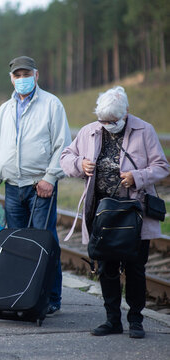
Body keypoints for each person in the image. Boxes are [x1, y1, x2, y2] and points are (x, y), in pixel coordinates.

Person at [60, 86, 169, 338]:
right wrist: (79, 164)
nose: (108, 124)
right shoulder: (89, 131)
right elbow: (66, 156)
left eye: (113, 120)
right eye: (104, 120)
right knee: (106, 268)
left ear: (126, 112)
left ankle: (136, 320)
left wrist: (138, 177)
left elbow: (162, 166)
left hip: (134, 214)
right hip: (102, 215)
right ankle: (112, 320)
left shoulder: (145, 130)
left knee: (135, 268)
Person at [0, 56, 71, 316]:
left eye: (26, 74)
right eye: (17, 75)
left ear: (36, 74)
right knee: (16, 244)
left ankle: (51, 297)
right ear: (11, 78)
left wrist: (50, 178)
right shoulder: (4, 109)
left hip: (39, 186)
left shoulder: (51, 104)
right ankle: (20, 295)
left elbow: (62, 145)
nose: (22, 79)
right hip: (12, 186)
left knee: (45, 241)